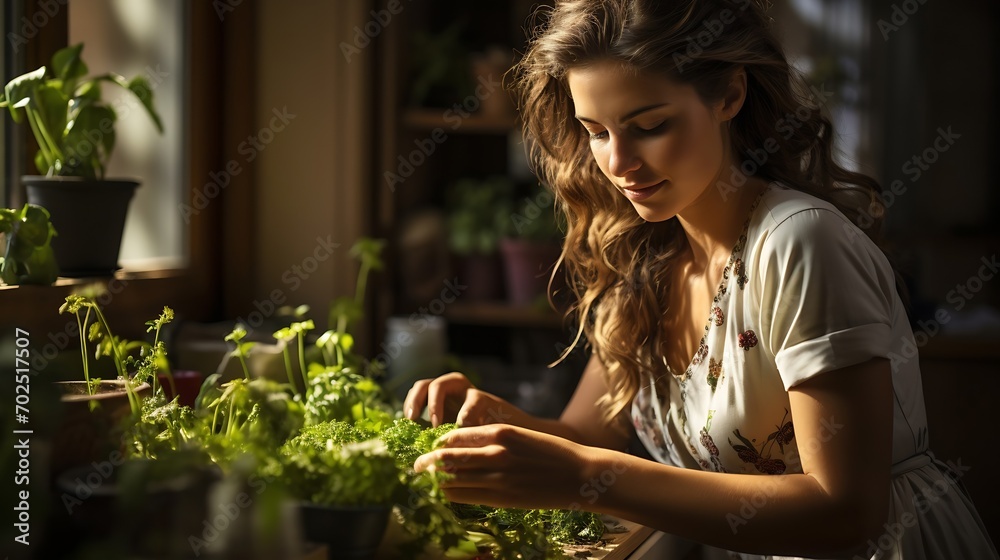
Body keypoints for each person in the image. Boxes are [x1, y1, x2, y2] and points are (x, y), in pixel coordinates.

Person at [404, 1, 999, 558]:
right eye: (597, 131)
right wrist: (500, 429)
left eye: (650, 125)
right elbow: (587, 435)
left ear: (729, 96)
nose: (618, 164)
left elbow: (847, 512)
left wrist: (583, 477)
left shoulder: (798, 243)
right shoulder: (645, 260)